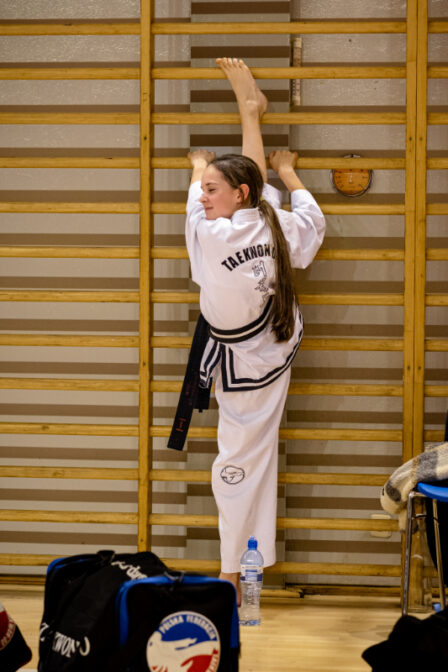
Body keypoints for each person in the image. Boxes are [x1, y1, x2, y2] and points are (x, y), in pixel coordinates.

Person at [182, 58, 325, 602]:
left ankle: (234, 572)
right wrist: (289, 176)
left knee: (236, 464)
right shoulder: (272, 220)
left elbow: (206, 205)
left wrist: (198, 165)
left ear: (235, 195)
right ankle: (250, 111)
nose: (203, 195)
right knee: (251, 459)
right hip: (273, 347)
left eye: (211, 189)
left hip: (250, 367)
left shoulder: (213, 235)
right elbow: (309, 223)